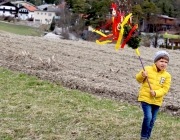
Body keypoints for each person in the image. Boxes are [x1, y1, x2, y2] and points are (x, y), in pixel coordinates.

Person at [136, 50, 171, 140]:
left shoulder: (167, 75)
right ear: (156, 61)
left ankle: (147, 136)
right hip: (145, 98)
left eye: (166, 62)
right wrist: (142, 75)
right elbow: (138, 79)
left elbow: (165, 89)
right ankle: (143, 137)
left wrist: (156, 93)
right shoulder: (147, 69)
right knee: (148, 117)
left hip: (157, 101)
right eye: (161, 61)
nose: (163, 63)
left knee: (152, 120)